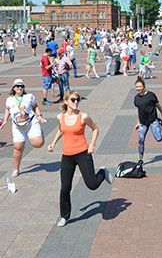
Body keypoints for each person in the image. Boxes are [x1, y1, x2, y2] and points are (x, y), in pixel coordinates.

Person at [47, 91, 113, 227]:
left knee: (92, 185)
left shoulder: (83, 117)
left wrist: (92, 144)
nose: (76, 102)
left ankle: (102, 172)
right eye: (73, 100)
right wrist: (53, 143)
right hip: (67, 156)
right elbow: (61, 129)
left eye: (78, 100)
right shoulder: (61, 117)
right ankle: (65, 216)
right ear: (66, 101)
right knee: (65, 187)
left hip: (83, 153)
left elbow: (95, 129)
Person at [4, 78, 47, 177]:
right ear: (14, 88)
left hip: (31, 122)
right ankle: (16, 169)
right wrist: (5, 120)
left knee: (38, 144)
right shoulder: (9, 99)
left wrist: (39, 115)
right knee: (18, 147)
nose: (20, 88)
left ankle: (40, 134)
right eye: (17, 86)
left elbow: (35, 106)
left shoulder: (29, 96)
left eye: (22, 86)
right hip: (17, 126)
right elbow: (7, 109)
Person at [133, 77, 162, 163]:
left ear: (144, 86)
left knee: (159, 138)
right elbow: (140, 111)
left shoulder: (151, 95)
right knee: (141, 140)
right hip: (143, 122)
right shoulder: (136, 98)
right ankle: (140, 158)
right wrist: (138, 122)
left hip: (153, 120)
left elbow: (158, 105)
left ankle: (158, 122)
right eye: (137, 87)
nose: (138, 89)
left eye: (140, 86)